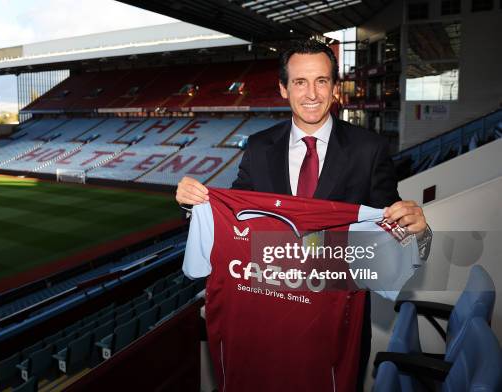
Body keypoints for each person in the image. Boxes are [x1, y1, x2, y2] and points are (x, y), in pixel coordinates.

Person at [176, 39, 431, 390]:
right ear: (284, 88)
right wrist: (195, 204)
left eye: (321, 81)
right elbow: (239, 218)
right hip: (269, 318)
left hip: (333, 331)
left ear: (334, 87)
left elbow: (388, 234)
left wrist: (416, 231)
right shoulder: (259, 146)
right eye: (300, 82)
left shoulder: (369, 150)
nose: (311, 93)